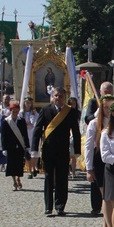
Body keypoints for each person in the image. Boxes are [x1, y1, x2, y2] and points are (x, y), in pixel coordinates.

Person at [31, 87, 82, 216]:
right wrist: (34, 150)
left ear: (65, 98)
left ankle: (60, 206)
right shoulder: (45, 110)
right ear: (52, 97)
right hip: (48, 149)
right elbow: (37, 130)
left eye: (60, 96)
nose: (58, 98)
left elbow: (76, 132)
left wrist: (77, 150)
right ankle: (48, 207)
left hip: (63, 150)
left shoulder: (70, 112)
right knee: (48, 177)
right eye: (56, 96)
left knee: (62, 178)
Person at [86, 95, 114, 227]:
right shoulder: (94, 124)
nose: (108, 110)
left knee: (112, 196)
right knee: (106, 195)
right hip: (99, 161)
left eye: (111, 107)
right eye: (105, 107)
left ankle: (106, 223)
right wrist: (89, 168)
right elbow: (88, 146)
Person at [0, 102, 29, 191]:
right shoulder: (6, 121)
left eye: (17, 111)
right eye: (14, 112)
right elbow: (3, 136)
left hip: (20, 145)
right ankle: (14, 182)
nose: (15, 113)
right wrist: (4, 148)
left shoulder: (21, 120)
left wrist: (27, 146)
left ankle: (19, 178)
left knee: (20, 163)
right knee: (12, 164)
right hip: (10, 146)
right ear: (11, 111)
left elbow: (25, 134)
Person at [21, 97, 39, 178]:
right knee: (27, 152)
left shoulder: (34, 113)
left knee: (34, 151)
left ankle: (34, 167)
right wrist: (26, 124)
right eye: (26, 102)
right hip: (25, 133)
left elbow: (37, 121)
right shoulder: (21, 113)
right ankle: (29, 169)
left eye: (29, 103)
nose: (28, 104)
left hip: (33, 133)